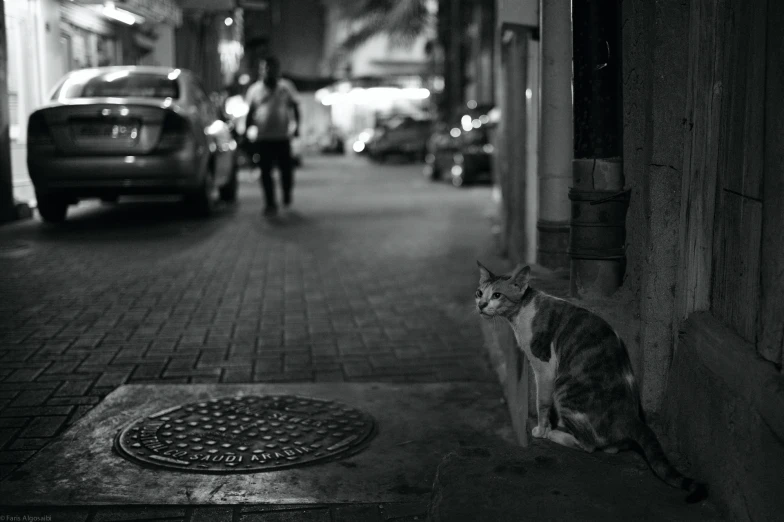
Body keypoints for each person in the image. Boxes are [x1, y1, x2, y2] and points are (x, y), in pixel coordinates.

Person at [244, 56, 301, 216]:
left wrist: (297, 128)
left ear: (278, 70)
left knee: (286, 170)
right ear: (262, 70)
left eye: (272, 68)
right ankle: (270, 203)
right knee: (265, 172)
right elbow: (250, 113)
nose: (269, 71)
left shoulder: (286, 87)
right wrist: (246, 133)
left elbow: (295, 107)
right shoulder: (254, 90)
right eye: (266, 68)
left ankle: (286, 194)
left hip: (282, 137)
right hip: (263, 138)